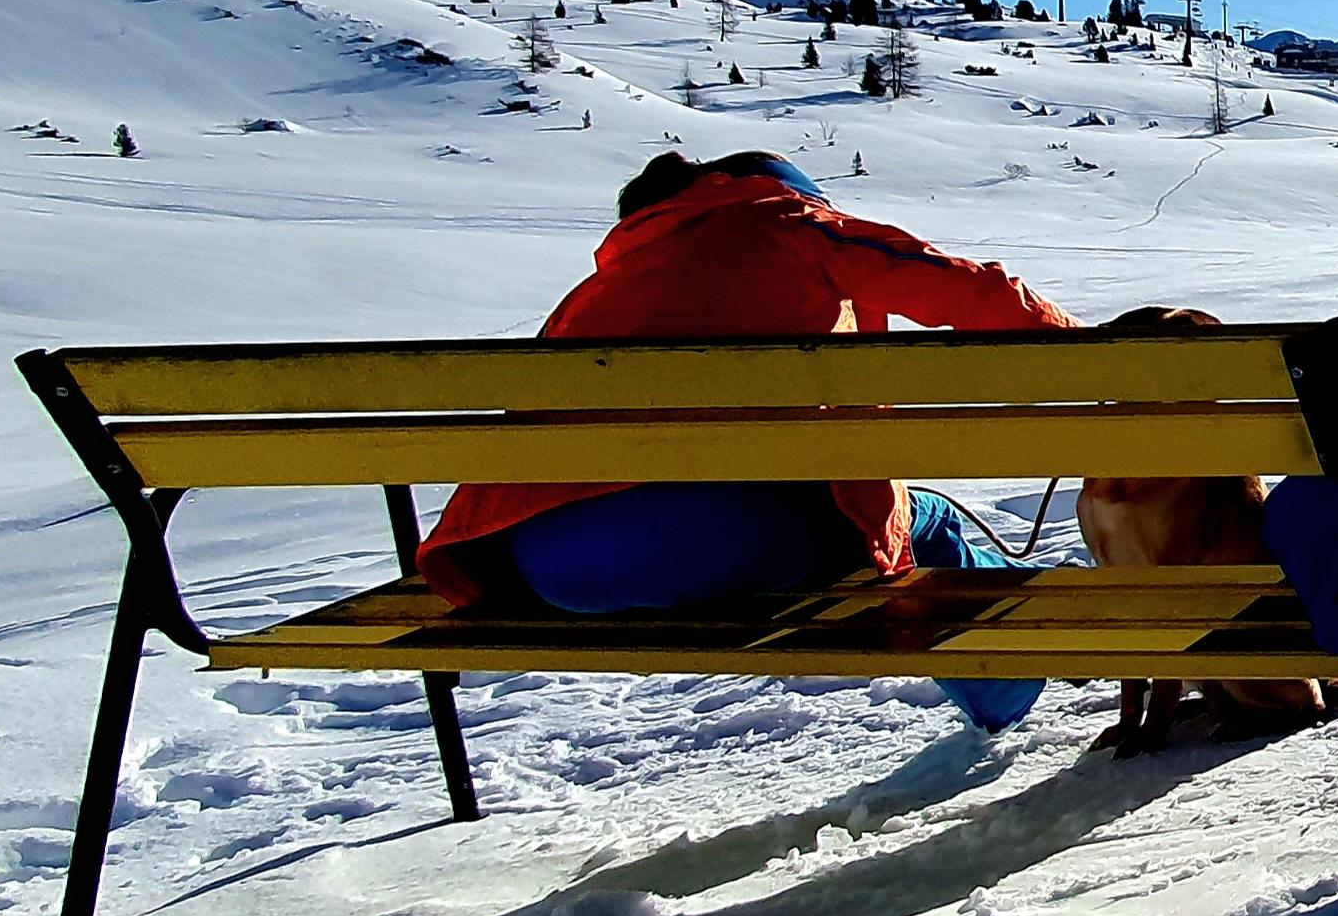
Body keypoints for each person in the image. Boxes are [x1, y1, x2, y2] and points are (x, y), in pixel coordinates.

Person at [421, 151, 1084, 723]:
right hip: (713, 547)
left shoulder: (597, 290)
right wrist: (1089, 355)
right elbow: (973, 292)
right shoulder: (789, 224)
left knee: (863, 519)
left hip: (547, 572)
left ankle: (1028, 642)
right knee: (925, 527)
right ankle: (1018, 683)